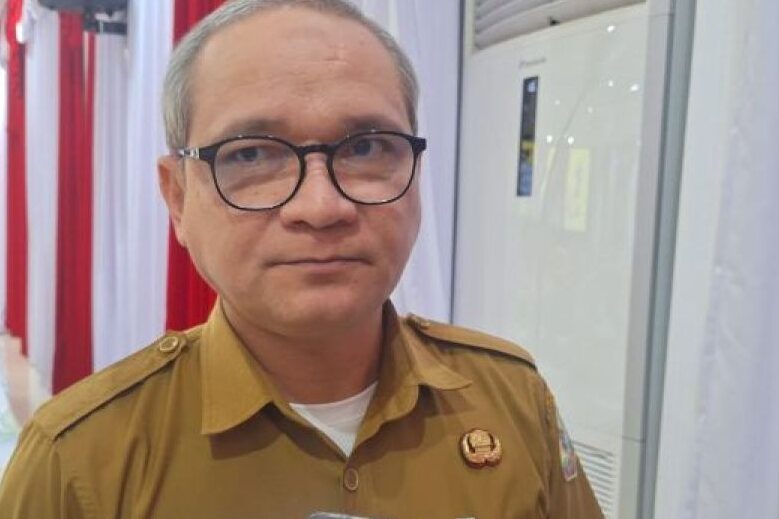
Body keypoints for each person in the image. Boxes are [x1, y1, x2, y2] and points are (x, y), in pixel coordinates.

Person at [0, 0, 603, 517]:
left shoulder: (513, 401)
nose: (321, 206)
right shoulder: (80, 463)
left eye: (366, 147)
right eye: (251, 155)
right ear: (178, 198)